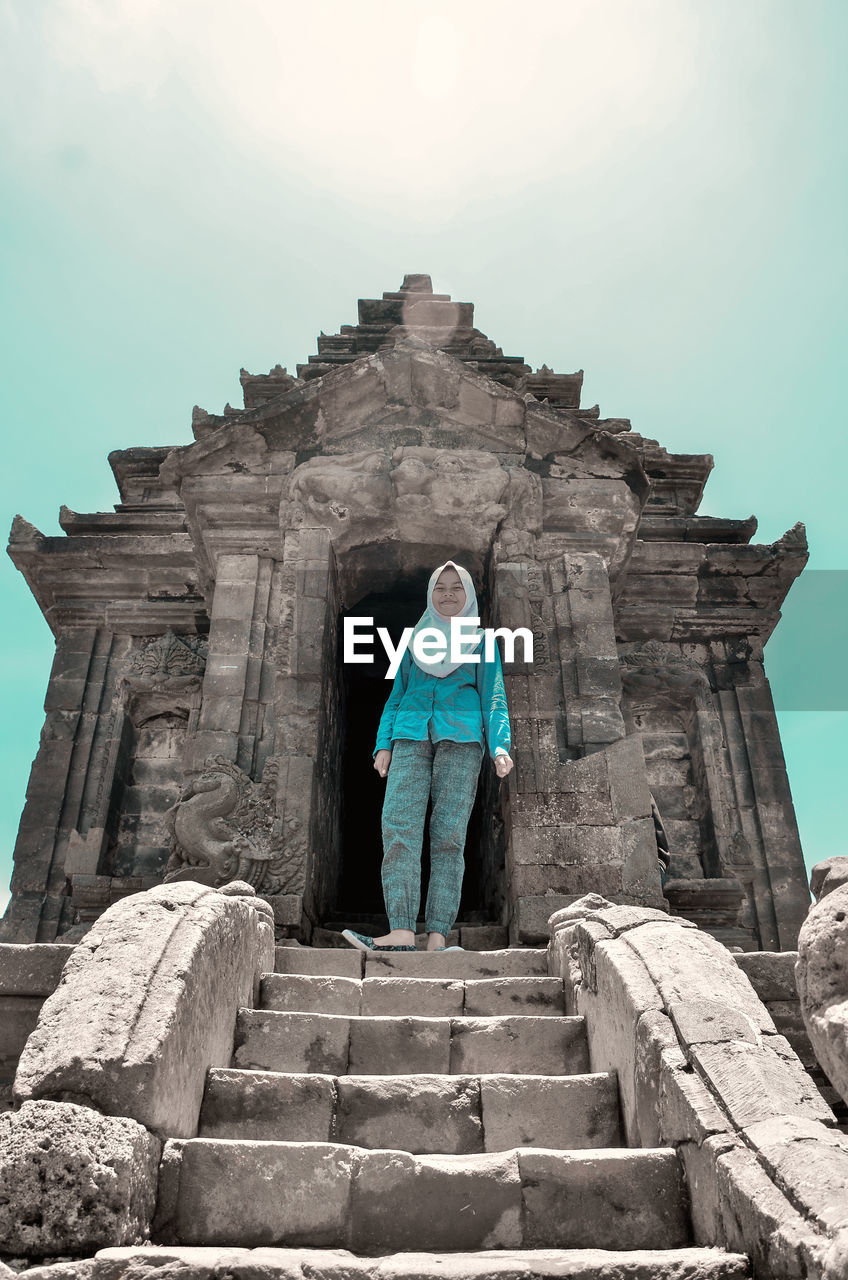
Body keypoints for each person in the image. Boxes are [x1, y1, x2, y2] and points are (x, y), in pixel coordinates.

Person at [342, 560, 513, 954]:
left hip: (463, 739)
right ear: (431, 594)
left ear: (468, 595)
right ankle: (401, 931)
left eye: (457, 587)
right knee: (398, 826)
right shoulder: (415, 641)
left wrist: (501, 745)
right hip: (410, 735)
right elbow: (396, 695)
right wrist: (382, 743)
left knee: (448, 837)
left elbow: (494, 696)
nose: (448, 594)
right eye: (441, 587)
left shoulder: (482, 641)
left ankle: (437, 937)